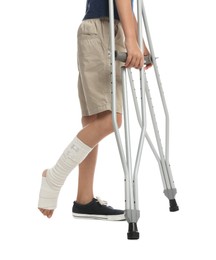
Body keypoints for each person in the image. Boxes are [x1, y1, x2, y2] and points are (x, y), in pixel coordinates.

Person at [38, 0, 152, 220]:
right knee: (111, 120)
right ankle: (54, 177)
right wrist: (131, 39)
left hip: (105, 29)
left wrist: (137, 39)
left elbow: (124, 5)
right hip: (102, 30)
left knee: (95, 121)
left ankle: (84, 200)